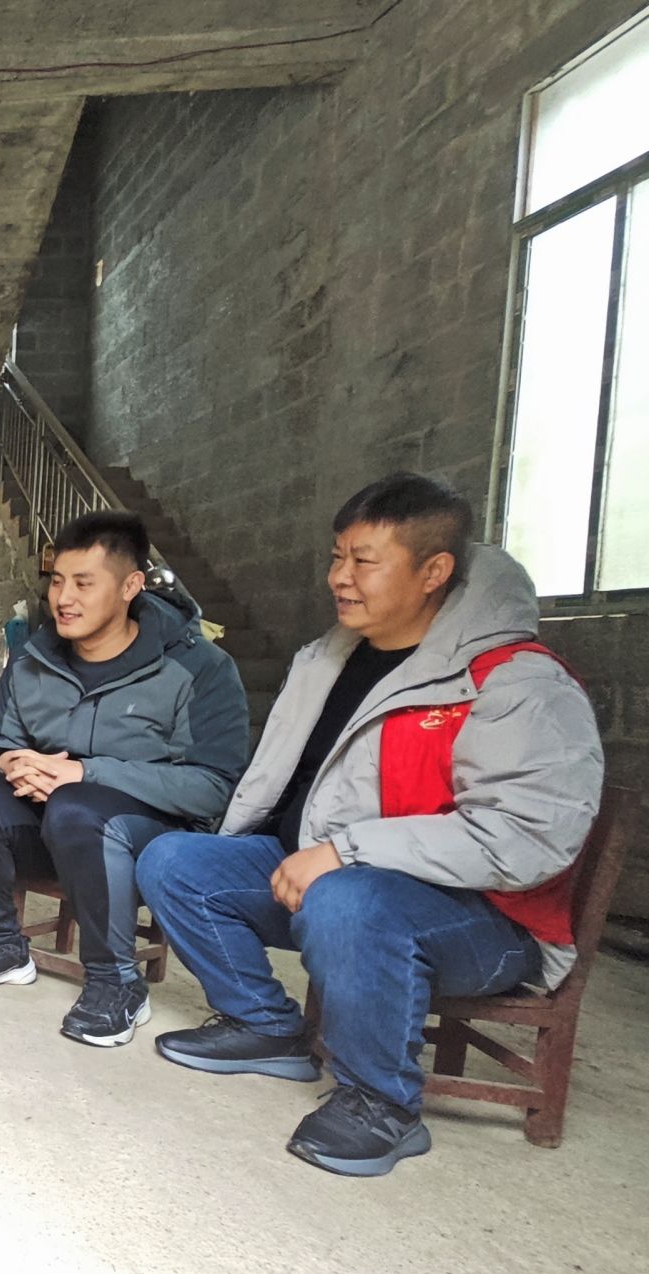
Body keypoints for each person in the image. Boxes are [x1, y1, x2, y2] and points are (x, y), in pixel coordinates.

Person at [135, 474, 603, 1177]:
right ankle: (265, 1026)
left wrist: (346, 851)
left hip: (486, 923)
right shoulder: (329, 658)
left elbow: (527, 839)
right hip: (334, 882)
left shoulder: (514, 682)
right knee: (173, 859)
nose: (340, 578)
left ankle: (380, 1102)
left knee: (348, 900)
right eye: (336, 557)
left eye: (365, 561)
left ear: (433, 572)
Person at [0, 512, 249, 1046]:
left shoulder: (199, 669)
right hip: (50, 825)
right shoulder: (32, 659)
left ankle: (115, 981)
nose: (64, 598)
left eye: (84, 584)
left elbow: (213, 786)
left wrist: (82, 774)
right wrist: (11, 762)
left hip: (146, 841)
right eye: (58, 581)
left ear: (130, 586)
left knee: (77, 806)